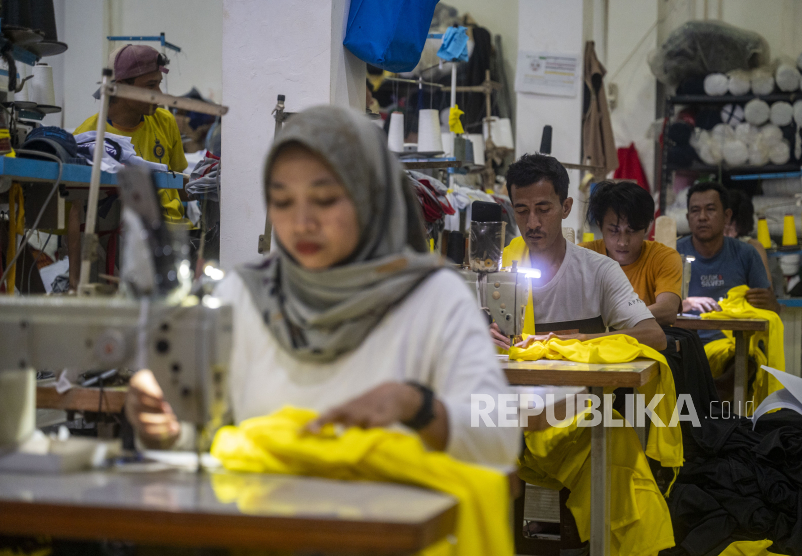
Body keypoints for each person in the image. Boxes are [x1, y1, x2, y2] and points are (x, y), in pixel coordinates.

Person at [125, 105, 519, 468]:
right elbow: (201, 436)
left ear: (371, 197)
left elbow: (500, 439)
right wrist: (165, 427)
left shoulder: (433, 299)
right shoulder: (245, 296)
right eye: (281, 201)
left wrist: (418, 407)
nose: (302, 223)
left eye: (325, 199)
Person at [492, 154, 666, 351]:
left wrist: (581, 340)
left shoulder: (599, 271)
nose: (532, 223)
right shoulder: (498, 272)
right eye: (522, 211)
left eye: (543, 209)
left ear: (566, 207)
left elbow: (654, 336)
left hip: (583, 382)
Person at [67, 45, 190, 289]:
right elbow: (76, 210)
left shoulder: (164, 121)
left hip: (169, 236)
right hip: (115, 238)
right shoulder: (89, 136)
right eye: (150, 86)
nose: (159, 93)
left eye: (159, 84)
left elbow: (182, 184)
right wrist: (74, 278)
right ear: (121, 87)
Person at [677, 182, 778, 344]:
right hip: (685, 349)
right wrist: (686, 304)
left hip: (736, 349)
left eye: (710, 209)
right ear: (688, 218)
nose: (702, 217)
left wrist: (770, 303)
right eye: (695, 211)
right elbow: (653, 310)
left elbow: (773, 311)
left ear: (727, 216)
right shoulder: (672, 254)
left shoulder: (746, 254)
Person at [580, 180, 682, 326]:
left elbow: (667, 311)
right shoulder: (583, 256)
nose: (622, 242)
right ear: (599, 225)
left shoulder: (663, 257)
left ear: (646, 227)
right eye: (614, 230)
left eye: (632, 231)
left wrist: (610, 319)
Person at [724, 189, 774, 287]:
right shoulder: (706, 248)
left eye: (734, 228)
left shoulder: (753, 248)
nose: (728, 234)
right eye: (725, 227)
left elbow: (766, 291)